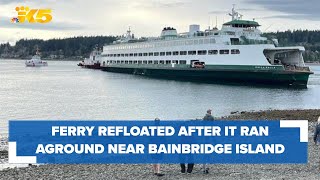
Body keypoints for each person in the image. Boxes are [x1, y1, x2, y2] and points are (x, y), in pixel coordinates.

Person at [201, 109, 214, 174]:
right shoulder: (211, 117)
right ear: (209, 112)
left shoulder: (204, 117)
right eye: (210, 111)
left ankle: (203, 168)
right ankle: (207, 167)